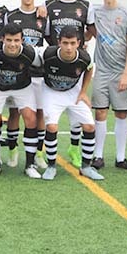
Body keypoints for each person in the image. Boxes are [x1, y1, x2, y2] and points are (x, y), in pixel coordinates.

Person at [88, 0, 127, 171]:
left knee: (121, 113)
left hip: (121, 71)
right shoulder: (94, 12)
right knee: (100, 112)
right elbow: (89, 30)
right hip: (102, 70)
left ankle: (121, 158)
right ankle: (98, 155)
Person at [0, 23, 43, 178]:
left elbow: (46, 60)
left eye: (16, 40)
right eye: (9, 40)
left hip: (22, 87)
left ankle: (29, 164)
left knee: (30, 118)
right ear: (2, 39)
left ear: (22, 40)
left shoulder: (30, 53)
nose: (12, 44)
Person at [38, 26, 104, 181]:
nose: (69, 47)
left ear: (78, 43)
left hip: (73, 93)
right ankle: (51, 166)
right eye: (65, 43)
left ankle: (86, 167)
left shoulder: (84, 57)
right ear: (59, 42)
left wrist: (83, 92)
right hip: (51, 92)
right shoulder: (47, 54)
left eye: (72, 43)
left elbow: (89, 69)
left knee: (89, 126)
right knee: (52, 126)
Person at [45, 0, 94, 167]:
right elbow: (45, 32)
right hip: (56, 60)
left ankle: (75, 148)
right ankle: (45, 155)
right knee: (50, 115)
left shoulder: (85, 5)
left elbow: (90, 30)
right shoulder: (48, 5)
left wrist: (80, 45)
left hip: (76, 60)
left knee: (77, 109)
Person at [4, 0, 49, 170]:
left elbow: (50, 40)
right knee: (15, 113)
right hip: (18, 72)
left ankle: (39, 154)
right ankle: (13, 152)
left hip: (38, 73)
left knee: (39, 114)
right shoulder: (11, 16)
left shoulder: (43, 16)